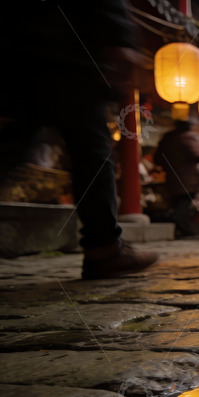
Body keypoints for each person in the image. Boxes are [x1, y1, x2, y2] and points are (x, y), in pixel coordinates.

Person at [1, 1, 157, 278]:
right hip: (68, 52)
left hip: (23, 44)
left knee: (15, 142)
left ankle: (104, 245)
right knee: (92, 150)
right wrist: (118, 35)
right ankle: (104, 248)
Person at [153, 120, 199, 237]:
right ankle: (183, 228)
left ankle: (180, 228)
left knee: (177, 202)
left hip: (171, 177)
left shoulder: (166, 139)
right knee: (183, 203)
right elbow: (198, 155)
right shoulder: (188, 137)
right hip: (187, 177)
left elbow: (157, 159)